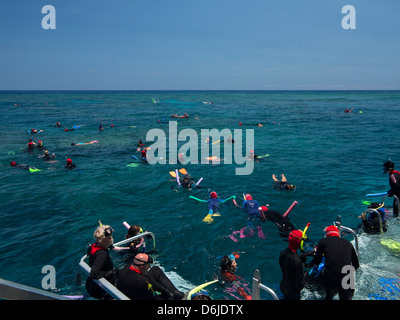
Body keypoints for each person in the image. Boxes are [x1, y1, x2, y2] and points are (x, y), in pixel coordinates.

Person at [308, 225, 359, 300]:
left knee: (329, 296)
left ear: (327, 235)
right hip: (347, 276)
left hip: (331, 276)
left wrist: (308, 264)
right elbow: (356, 265)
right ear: (338, 234)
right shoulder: (348, 243)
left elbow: (317, 261)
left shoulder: (323, 241)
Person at [116, 253, 185, 300]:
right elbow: (155, 298)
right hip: (138, 296)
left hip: (128, 292)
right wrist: (170, 296)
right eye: (148, 265)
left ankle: (175, 292)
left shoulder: (125, 268)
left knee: (155, 270)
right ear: (142, 267)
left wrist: (166, 291)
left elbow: (147, 279)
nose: (149, 267)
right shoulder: (142, 282)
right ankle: (177, 295)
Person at [85, 225, 118, 299]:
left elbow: (91, 253)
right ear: (102, 239)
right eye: (109, 238)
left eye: (111, 237)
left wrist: (108, 245)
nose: (111, 239)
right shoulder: (102, 254)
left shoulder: (93, 247)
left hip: (91, 286)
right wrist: (110, 273)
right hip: (101, 291)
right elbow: (93, 274)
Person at [279, 230, 307, 300]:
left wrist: (300, 256)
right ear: (299, 242)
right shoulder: (298, 262)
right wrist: (305, 276)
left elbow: (290, 261)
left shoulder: (282, 253)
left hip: (283, 286)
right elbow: (300, 285)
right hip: (293, 294)